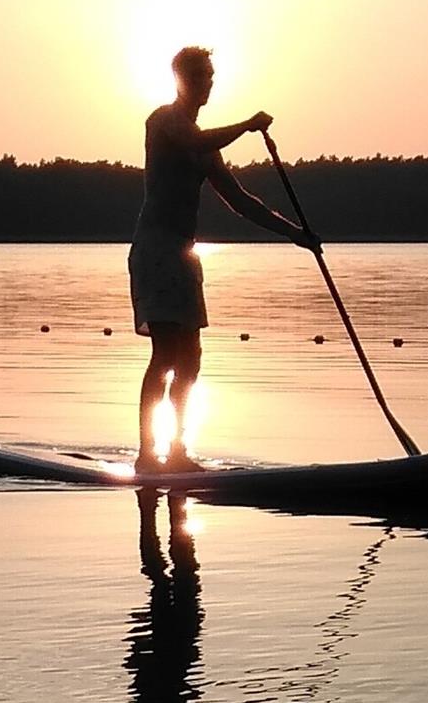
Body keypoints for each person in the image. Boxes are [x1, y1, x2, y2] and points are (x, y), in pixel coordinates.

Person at [135, 44, 316, 469]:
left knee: (191, 360)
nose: (207, 84)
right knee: (165, 355)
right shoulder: (163, 122)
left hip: (184, 256)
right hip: (155, 251)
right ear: (181, 80)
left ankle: (177, 452)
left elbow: (241, 201)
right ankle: (147, 455)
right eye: (200, 77)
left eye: (210, 77)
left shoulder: (206, 149)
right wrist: (249, 125)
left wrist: (296, 234)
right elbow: (195, 139)